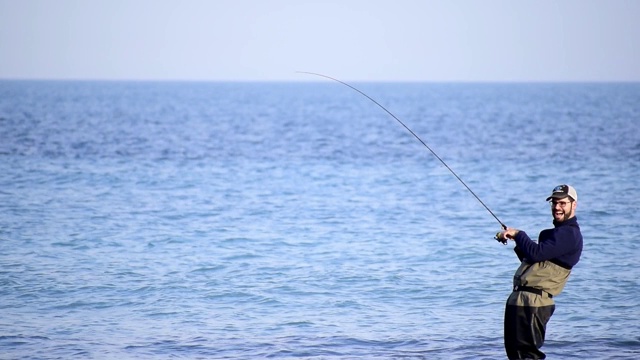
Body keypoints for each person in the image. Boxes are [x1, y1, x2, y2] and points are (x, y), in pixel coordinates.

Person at [496, 184, 583, 359]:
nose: (557, 207)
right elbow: (536, 263)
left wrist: (519, 234)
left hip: (533, 303)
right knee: (515, 355)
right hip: (521, 299)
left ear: (574, 205)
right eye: (554, 203)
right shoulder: (554, 235)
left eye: (562, 203)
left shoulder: (569, 234)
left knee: (527, 355)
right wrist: (517, 241)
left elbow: (536, 254)